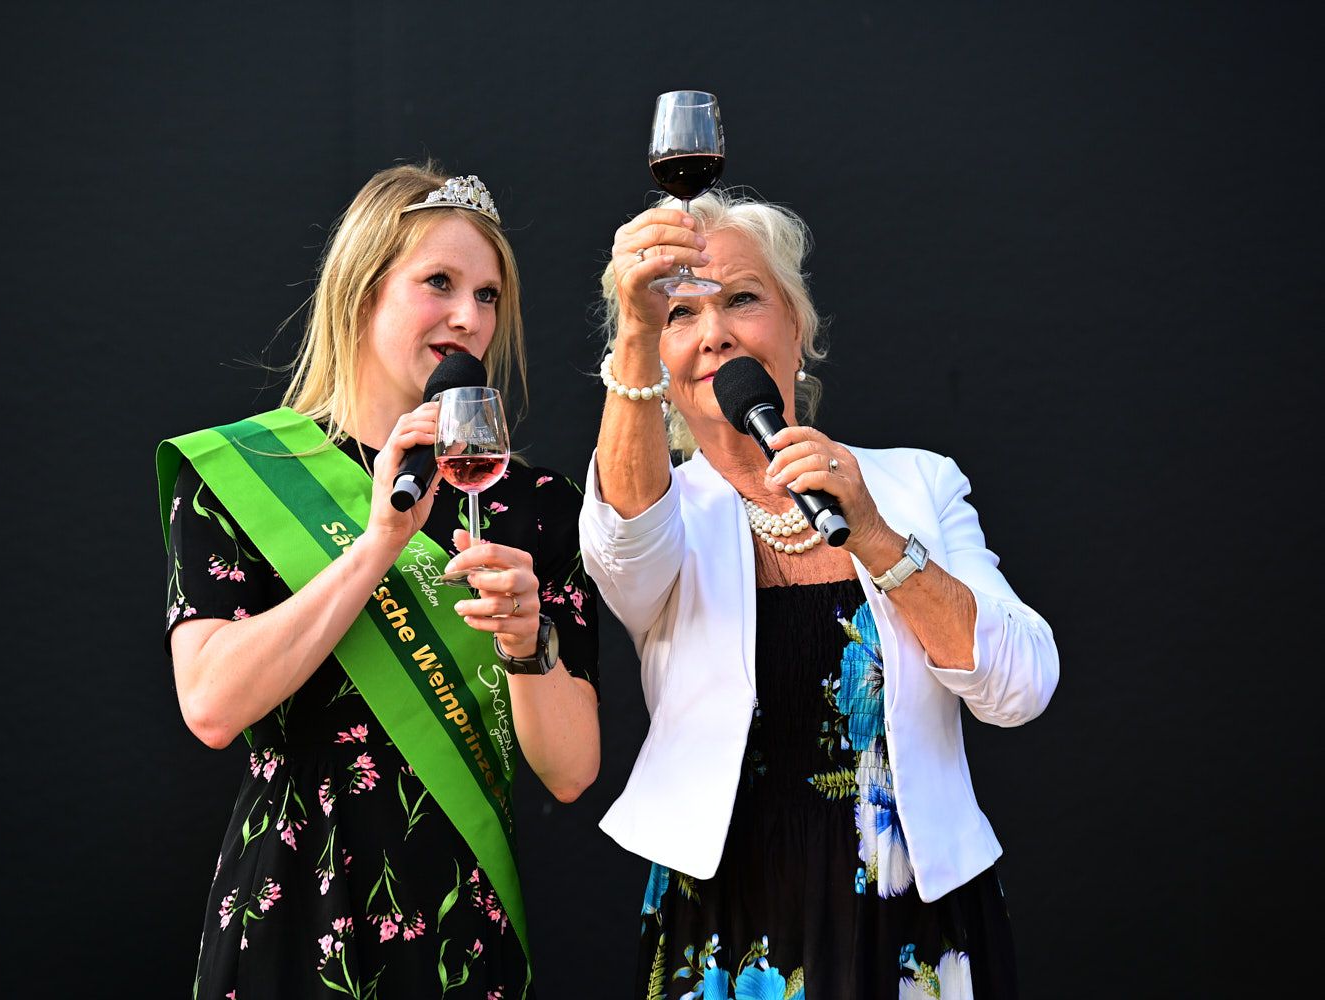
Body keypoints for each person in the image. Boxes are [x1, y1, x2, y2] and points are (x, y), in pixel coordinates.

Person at [579, 188, 1058, 999]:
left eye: (742, 299)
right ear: (656, 359)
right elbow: (622, 552)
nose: (715, 332)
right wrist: (631, 327)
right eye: (679, 314)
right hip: (729, 924)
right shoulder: (660, 509)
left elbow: (1022, 687)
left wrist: (873, 534)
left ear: (796, 330)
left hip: (914, 914)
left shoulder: (915, 483)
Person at [157, 164, 600, 999]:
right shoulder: (244, 472)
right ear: (362, 289)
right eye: (439, 283)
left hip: (459, 918)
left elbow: (573, 770)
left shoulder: (536, 502)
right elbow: (211, 706)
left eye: (488, 294)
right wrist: (376, 546)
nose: (470, 317)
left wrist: (526, 640)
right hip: (291, 906)